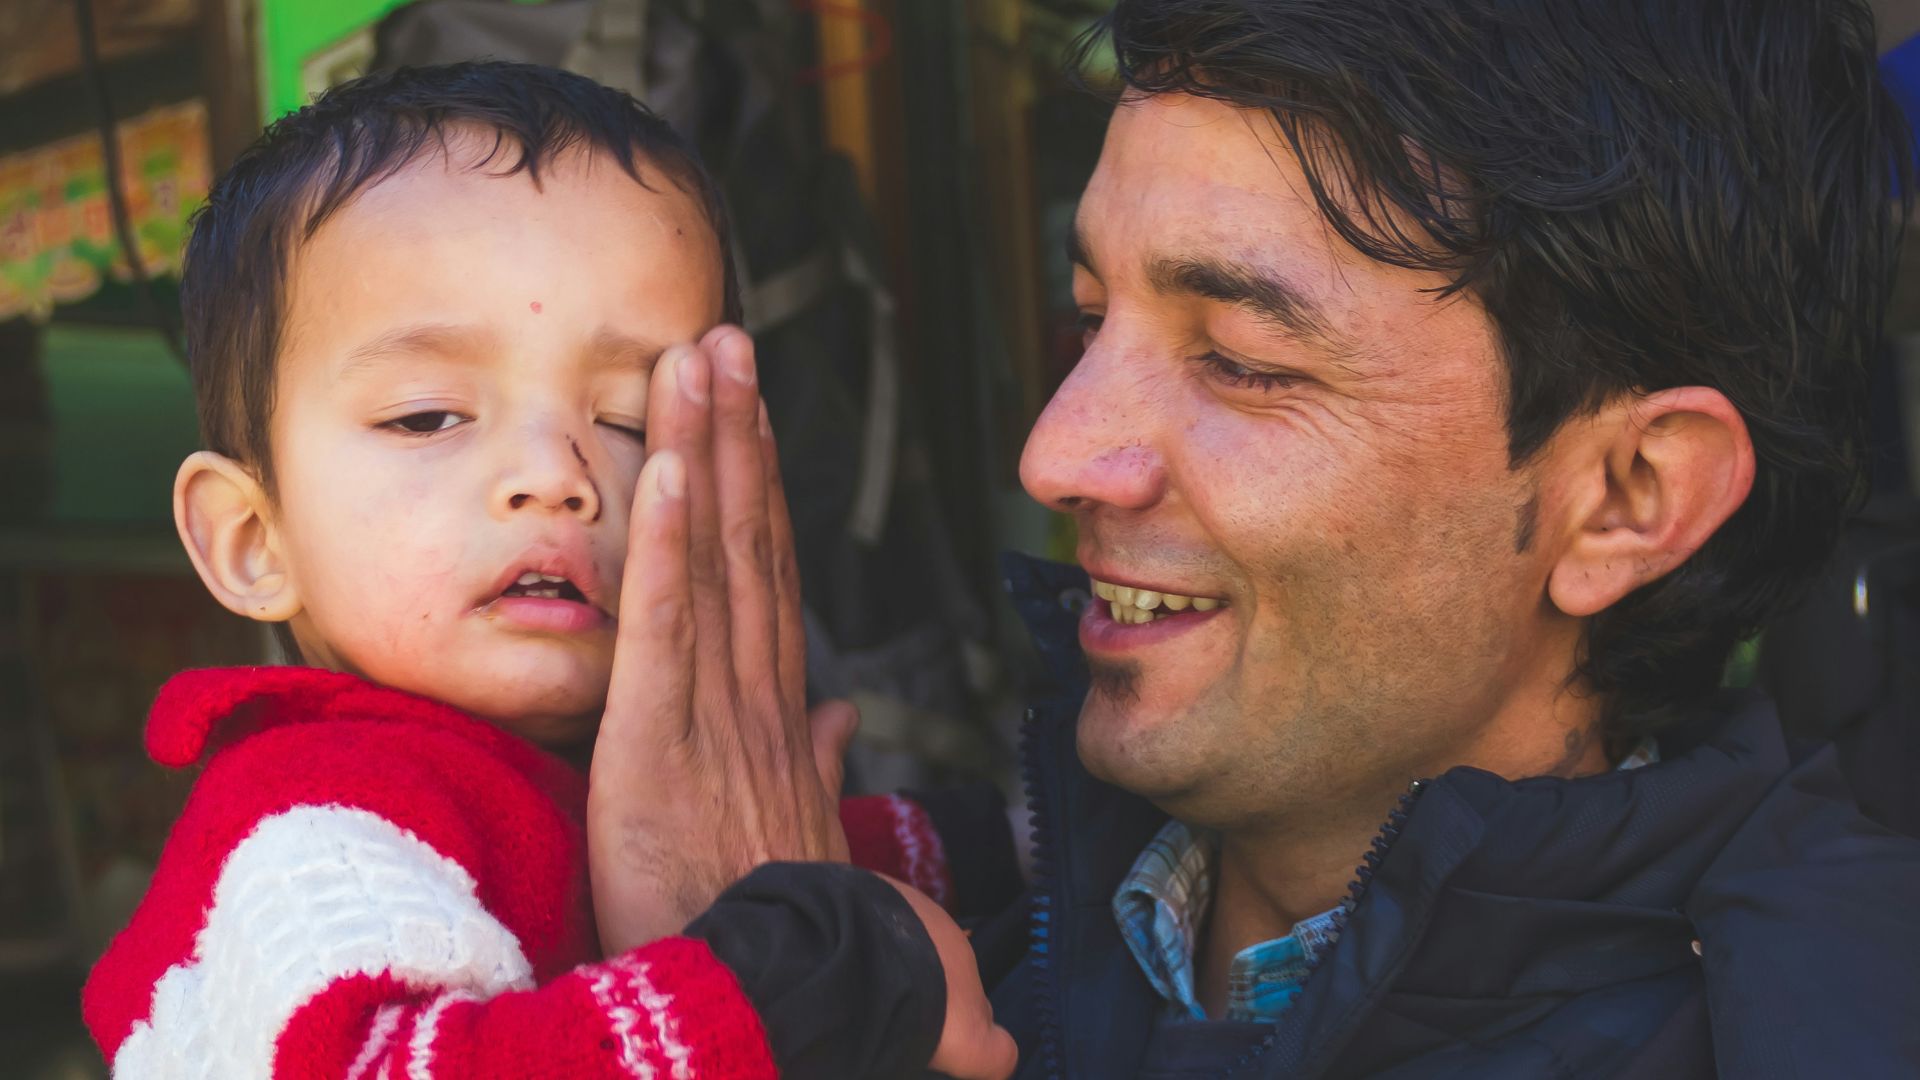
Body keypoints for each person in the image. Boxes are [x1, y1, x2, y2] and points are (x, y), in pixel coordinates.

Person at [777, 0, 1920, 1075]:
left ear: (1626, 497)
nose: (1056, 452)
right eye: (1089, 320)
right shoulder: (930, 963)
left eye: (1241, 360)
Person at [78, 62, 1016, 1080]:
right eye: (428, 416)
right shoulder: (316, 822)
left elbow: (835, 860)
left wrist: (1007, 845)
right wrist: (810, 969)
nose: (555, 478)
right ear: (254, 541)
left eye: (627, 421)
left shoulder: (598, 776)